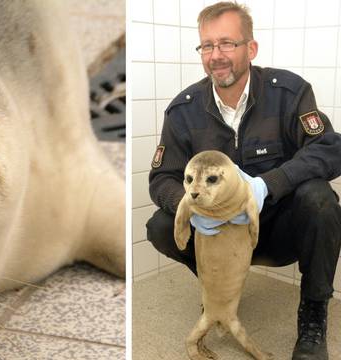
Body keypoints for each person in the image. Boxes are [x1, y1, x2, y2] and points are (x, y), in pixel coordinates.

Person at [146, 2, 341, 359]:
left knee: (320, 200)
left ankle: (313, 317)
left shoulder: (289, 93)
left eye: (227, 43)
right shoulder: (183, 110)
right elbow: (161, 178)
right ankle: (216, 292)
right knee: (160, 225)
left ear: (250, 48)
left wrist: (269, 184)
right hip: (218, 232)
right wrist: (189, 206)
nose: (216, 55)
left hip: (275, 227)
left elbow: (329, 149)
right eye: (207, 45)